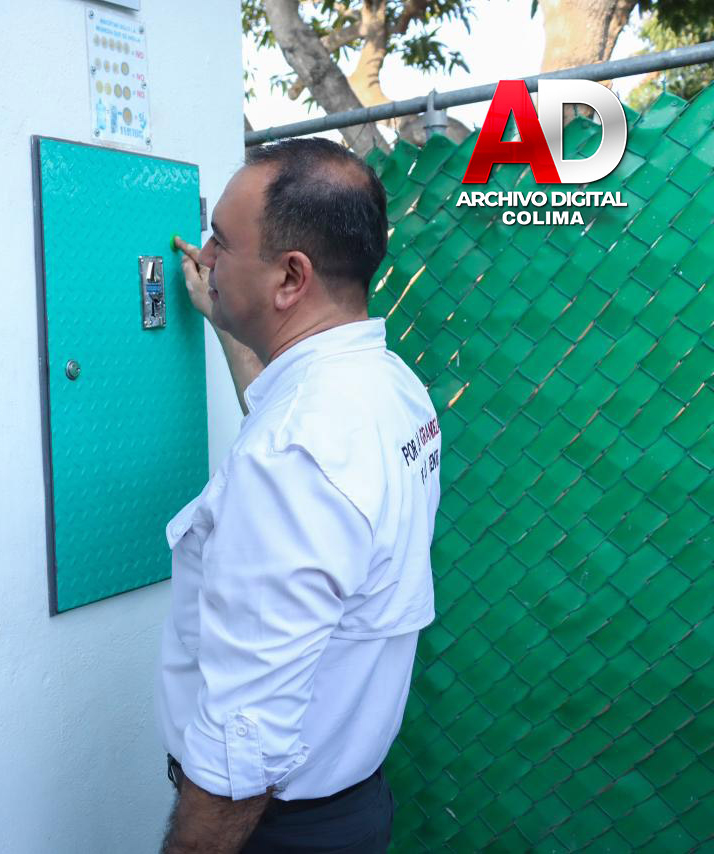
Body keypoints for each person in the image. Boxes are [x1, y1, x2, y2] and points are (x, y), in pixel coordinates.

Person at [156, 137, 441, 854]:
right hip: (351, 808)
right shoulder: (390, 387)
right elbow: (286, 416)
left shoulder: (293, 458)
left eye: (221, 242)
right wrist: (227, 320)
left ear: (290, 277)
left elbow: (243, 747)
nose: (206, 256)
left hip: (266, 829)